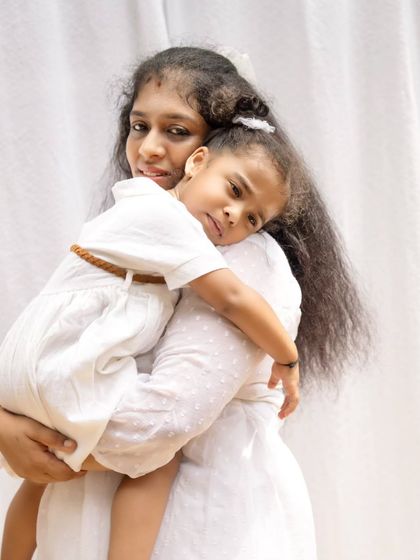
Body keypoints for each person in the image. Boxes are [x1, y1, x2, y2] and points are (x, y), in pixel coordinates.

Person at [0, 47, 369, 559]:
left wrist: (50, 441)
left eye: (176, 131)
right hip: (92, 507)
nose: (149, 149)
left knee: (145, 463)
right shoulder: (151, 227)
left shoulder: (238, 257)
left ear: (210, 146)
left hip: (194, 527)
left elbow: (163, 421)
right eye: (138, 126)